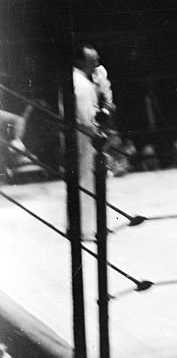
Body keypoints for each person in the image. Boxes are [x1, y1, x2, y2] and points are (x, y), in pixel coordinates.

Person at [72, 43, 102, 237]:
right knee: (87, 181)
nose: (96, 65)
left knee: (84, 181)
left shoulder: (79, 79)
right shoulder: (81, 83)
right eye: (92, 61)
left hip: (82, 136)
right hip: (85, 137)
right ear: (82, 61)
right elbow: (85, 118)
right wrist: (98, 135)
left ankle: (84, 227)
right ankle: (86, 229)